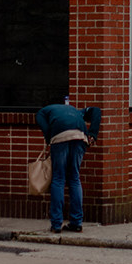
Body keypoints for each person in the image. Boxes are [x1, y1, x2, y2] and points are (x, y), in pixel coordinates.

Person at [35, 95, 101, 233]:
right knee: (74, 178)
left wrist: (49, 138)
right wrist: (93, 134)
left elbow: (39, 118)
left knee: (58, 178)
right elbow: (96, 110)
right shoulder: (77, 111)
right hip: (80, 137)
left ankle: (57, 224)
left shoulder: (44, 111)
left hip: (60, 137)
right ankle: (76, 223)